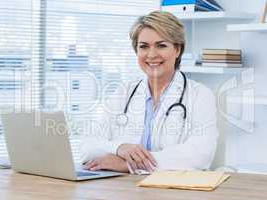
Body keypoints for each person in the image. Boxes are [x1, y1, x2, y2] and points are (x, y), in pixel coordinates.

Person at [80, 10, 219, 173]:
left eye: (161, 45)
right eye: (144, 46)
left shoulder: (199, 95)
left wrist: (130, 165)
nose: (151, 54)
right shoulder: (123, 93)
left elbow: (200, 155)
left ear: (177, 50)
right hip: (123, 190)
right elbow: (86, 146)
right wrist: (119, 147)